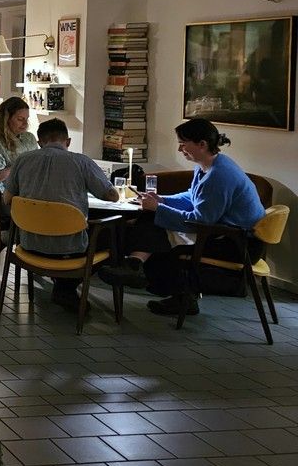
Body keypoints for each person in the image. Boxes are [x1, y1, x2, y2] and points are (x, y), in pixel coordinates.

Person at [99, 119, 265, 318]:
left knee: (153, 225)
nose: (180, 149)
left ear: (202, 144)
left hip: (235, 243)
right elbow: (192, 196)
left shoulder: (219, 176)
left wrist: (158, 208)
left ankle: (137, 266)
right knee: (152, 219)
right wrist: (161, 200)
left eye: (183, 144)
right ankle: (138, 267)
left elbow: (201, 220)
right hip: (222, 232)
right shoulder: (209, 165)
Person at [3, 119, 119, 311]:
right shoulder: (81, 162)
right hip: (70, 249)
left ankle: (62, 286)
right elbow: (112, 196)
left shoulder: (22, 161)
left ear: (40, 142)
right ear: (68, 141)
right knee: (109, 235)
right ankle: (66, 287)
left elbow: (8, 199)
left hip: (29, 245)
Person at [0, 96, 37, 191]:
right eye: (20, 119)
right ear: (7, 119)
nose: (25, 123)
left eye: (26, 119)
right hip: (1, 193)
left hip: (26, 190)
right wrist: (21, 165)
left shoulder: (29, 138)